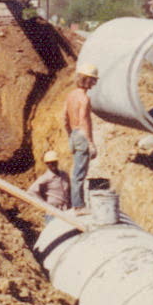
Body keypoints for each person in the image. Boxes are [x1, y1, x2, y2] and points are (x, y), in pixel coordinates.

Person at [63, 63, 99, 209]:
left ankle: (78, 203)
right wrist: (90, 143)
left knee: (77, 171)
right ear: (87, 80)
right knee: (79, 173)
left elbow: (64, 117)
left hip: (73, 134)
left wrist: (70, 135)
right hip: (82, 135)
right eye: (93, 80)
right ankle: (78, 206)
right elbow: (84, 120)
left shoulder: (70, 95)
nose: (94, 83)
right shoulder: (84, 99)